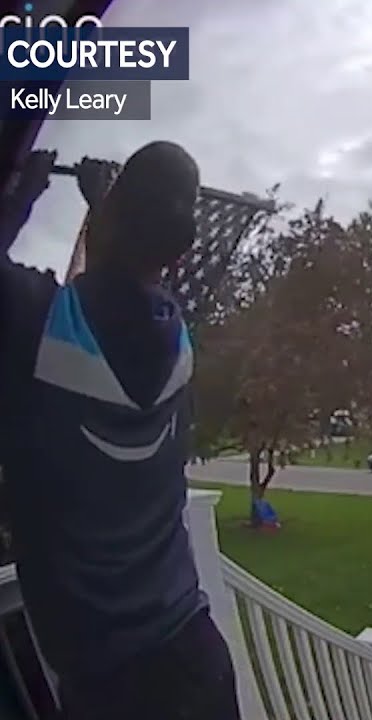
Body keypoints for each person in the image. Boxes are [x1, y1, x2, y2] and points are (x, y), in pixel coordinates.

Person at [0, 143, 240, 719]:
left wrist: (22, 196)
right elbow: (109, 299)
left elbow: (89, 304)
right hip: (196, 657)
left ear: (107, 221)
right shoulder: (177, 342)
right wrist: (104, 208)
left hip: (111, 690)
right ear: (178, 253)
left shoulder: (37, 326)